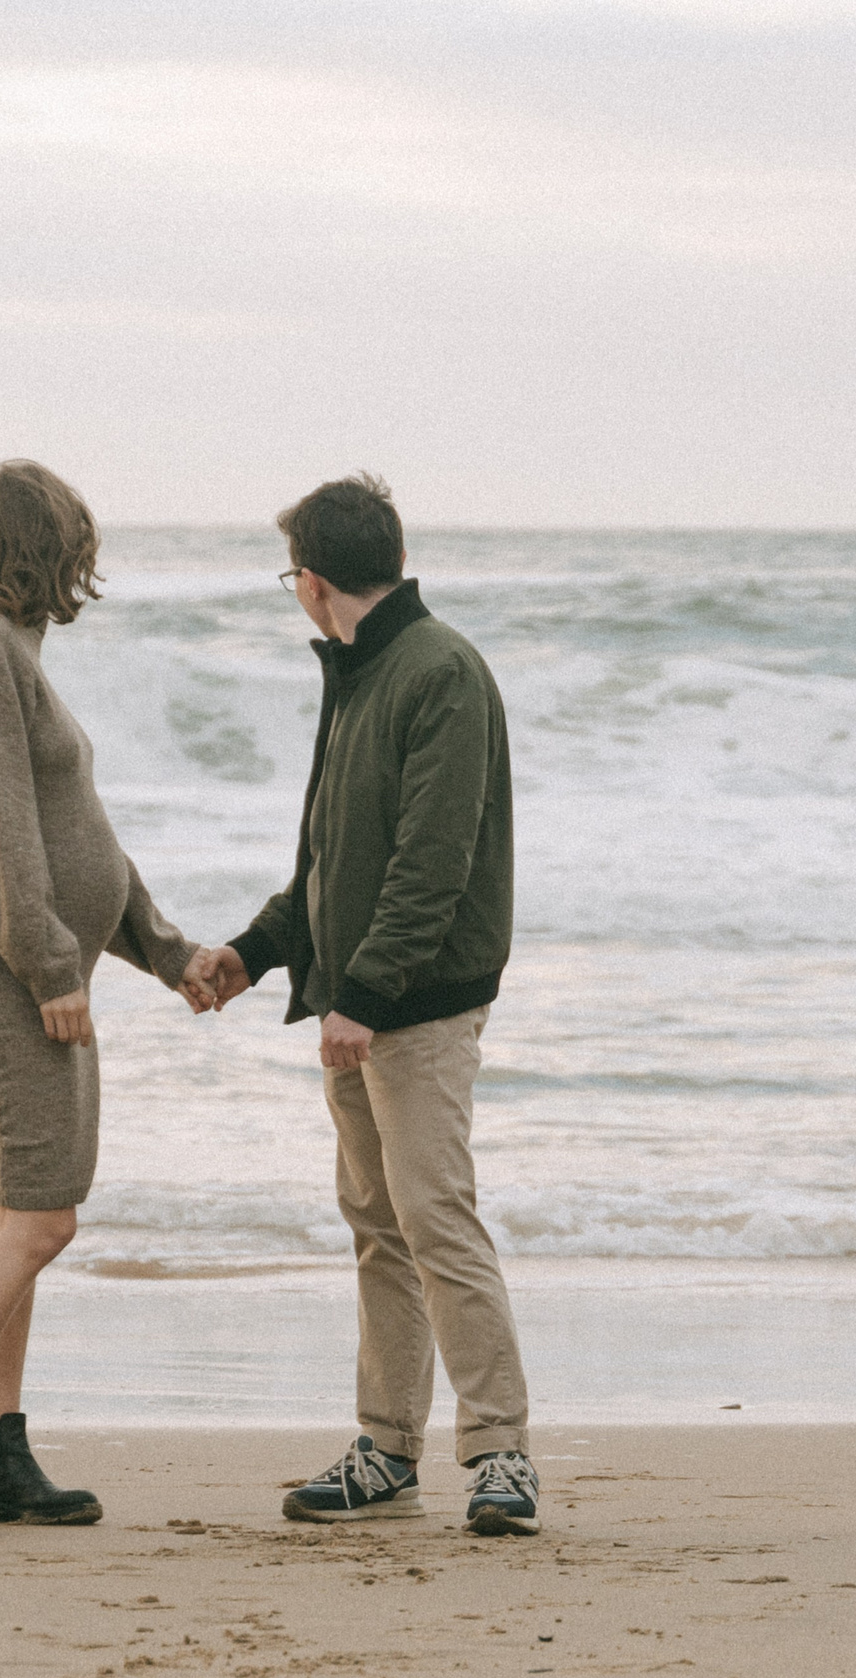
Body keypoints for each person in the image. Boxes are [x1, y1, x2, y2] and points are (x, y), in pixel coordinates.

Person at [0, 459, 215, 1535]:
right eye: (74, 542)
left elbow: (78, 835)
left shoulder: (7, 652)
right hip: (7, 973)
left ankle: (1, 1453)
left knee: (4, 1216)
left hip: (31, 964)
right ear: (42, 547)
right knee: (41, 1218)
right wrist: (50, 968)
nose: (83, 562)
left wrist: (164, 950)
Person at [187, 473, 538, 1537]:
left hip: (414, 1003)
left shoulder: (439, 672)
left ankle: (501, 1455)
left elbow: (431, 861)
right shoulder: (359, 671)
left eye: (289, 569)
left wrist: (369, 995)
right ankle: (387, 1447)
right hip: (357, 1003)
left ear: (312, 577)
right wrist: (256, 951)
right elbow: (335, 861)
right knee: (379, 1229)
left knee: (434, 1219)